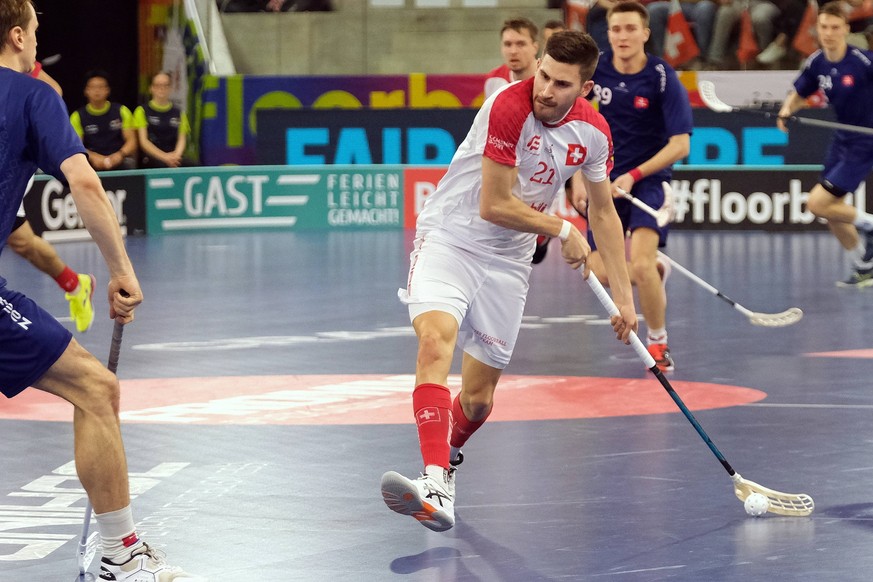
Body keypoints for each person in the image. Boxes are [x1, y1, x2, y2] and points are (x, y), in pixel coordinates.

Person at [380, 30, 638, 533]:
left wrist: (624, 302)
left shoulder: (594, 133)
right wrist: (563, 226)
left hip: (509, 261)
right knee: (435, 340)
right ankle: (433, 479)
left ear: (584, 89)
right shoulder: (507, 106)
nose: (545, 89)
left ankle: (446, 463)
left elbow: (604, 213)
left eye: (561, 84)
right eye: (543, 75)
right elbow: (493, 204)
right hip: (452, 237)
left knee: (478, 400)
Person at [0, 2, 203, 580]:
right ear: (18, 35)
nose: (39, 43)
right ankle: (121, 552)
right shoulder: (32, 95)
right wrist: (121, 269)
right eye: (36, 32)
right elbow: (84, 179)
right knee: (95, 387)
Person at [581, 1, 692, 372]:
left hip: (648, 182)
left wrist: (636, 174)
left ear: (645, 33)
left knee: (641, 266)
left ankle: (658, 343)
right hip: (604, 183)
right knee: (596, 272)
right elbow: (574, 127)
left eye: (630, 29)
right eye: (616, 29)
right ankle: (655, 275)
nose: (623, 36)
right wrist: (581, 178)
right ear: (607, 33)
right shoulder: (596, 74)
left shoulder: (662, 76)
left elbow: (680, 144)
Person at [777, 1, 873, 287]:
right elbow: (800, 91)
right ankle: (864, 266)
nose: (829, 33)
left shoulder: (863, 61)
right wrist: (786, 111)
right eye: (823, 27)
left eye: (835, 27)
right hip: (841, 139)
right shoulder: (817, 61)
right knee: (833, 214)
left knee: (817, 204)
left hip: (865, 141)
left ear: (845, 29)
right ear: (817, 29)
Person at [8, 63, 96, 333]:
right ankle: (75, 283)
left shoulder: (13, 56)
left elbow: (52, 91)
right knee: (22, 242)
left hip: (8, 162)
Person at [69, 70, 138, 171]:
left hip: (118, 158)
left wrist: (120, 155)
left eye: (101, 87)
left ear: (108, 90)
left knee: (129, 164)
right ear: (86, 91)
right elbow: (76, 146)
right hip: (91, 160)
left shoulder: (121, 111)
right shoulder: (77, 116)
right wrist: (93, 157)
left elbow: (132, 142)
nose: (97, 91)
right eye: (93, 87)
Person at [134, 71, 191, 168]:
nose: (162, 89)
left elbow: (182, 139)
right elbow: (144, 142)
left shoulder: (179, 113)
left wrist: (176, 156)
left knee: (193, 164)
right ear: (151, 88)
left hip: (174, 157)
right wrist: (165, 157)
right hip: (152, 158)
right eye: (158, 85)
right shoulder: (141, 111)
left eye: (165, 85)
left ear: (170, 88)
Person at [707, 0, 781, 68]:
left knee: (759, 18)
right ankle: (715, 60)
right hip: (737, 2)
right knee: (724, 13)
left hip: (762, 3)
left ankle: (764, 58)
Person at [646, 0, 718, 67]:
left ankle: (702, 59)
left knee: (705, 8)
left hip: (700, 4)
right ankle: (664, 60)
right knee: (654, 9)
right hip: (676, 4)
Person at [484, 17, 540, 99]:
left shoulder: (549, 79)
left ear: (535, 47)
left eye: (520, 44)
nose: (513, 51)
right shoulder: (493, 79)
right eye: (508, 44)